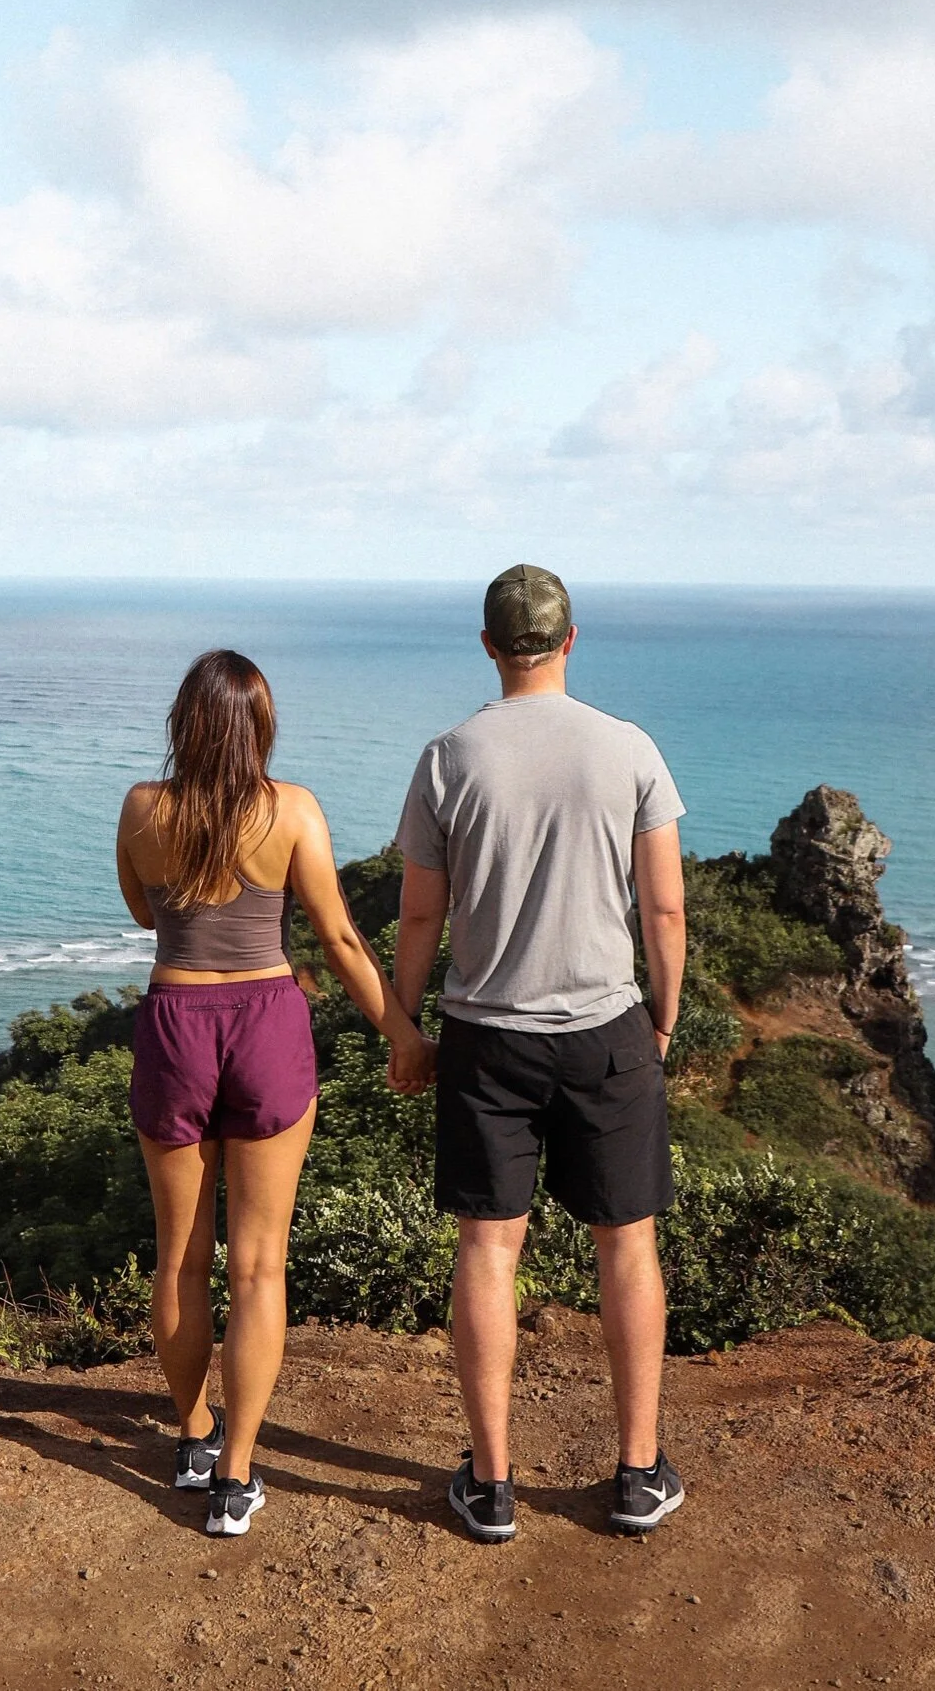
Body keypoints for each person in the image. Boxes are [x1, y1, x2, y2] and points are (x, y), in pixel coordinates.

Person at [390, 565, 688, 1542]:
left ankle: (492, 1484)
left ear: (487, 644)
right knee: (627, 1244)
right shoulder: (629, 748)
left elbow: (423, 911)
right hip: (607, 1031)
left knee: (488, 1247)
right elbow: (664, 907)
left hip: (487, 1036)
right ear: (571, 639)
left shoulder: (449, 756)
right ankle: (638, 1471)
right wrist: (664, 1020)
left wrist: (406, 1022)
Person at [118, 648, 436, 1539]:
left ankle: (189, 1435)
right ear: (259, 724)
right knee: (259, 1265)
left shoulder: (143, 808)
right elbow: (336, 936)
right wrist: (403, 1036)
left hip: (176, 1018)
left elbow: (146, 912)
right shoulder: (291, 810)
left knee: (179, 1254)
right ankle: (236, 1477)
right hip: (265, 1021)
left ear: (184, 722)